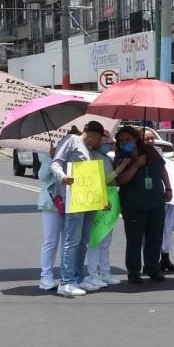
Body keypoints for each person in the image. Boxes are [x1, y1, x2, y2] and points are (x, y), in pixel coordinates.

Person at [50, 120, 113, 297]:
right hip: (75, 199)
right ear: (92, 134)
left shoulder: (89, 150)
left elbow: (93, 178)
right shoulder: (71, 140)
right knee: (72, 241)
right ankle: (66, 282)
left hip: (90, 200)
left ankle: (78, 278)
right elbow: (55, 163)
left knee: (83, 240)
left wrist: (103, 198)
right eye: (100, 139)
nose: (100, 143)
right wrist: (63, 177)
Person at [112, 126, 171, 284]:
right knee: (134, 239)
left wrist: (168, 187)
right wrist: (136, 164)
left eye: (128, 140)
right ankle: (133, 272)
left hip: (156, 201)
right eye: (122, 141)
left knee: (155, 237)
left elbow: (163, 170)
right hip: (134, 205)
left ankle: (152, 268)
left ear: (136, 139)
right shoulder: (120, 157)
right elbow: (122, 180)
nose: (125, 143)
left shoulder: (151, 151)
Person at [36, 127, 79, 291]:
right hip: (52, 203)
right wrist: (51, 158)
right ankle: (45, 277)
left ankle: (66, 276)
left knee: (68, 242)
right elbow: (42, 176)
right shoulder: (52, 154)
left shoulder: (77, 156)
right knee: (51, 241)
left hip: (72, 203)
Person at [143, 128, 174, 274]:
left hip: (161, 198)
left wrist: (173, 161)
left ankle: (164, 258)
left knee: (165, 229)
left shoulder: (158, 153)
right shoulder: (135, 155)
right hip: (144, 199)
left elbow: (164, 169)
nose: (150, 141)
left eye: (151, 138)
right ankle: (148, 263)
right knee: (147, 233)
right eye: (146, 139)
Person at [82, 148, 120, 288]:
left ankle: (105, 272)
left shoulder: (108, 157)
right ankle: (92, 274)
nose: (109, 144)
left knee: (106, 241)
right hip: (99, 200)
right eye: (106, 140)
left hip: (111, 198)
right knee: (95, 241)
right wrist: (119, 170)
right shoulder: (90, 156)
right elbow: (102, 180)